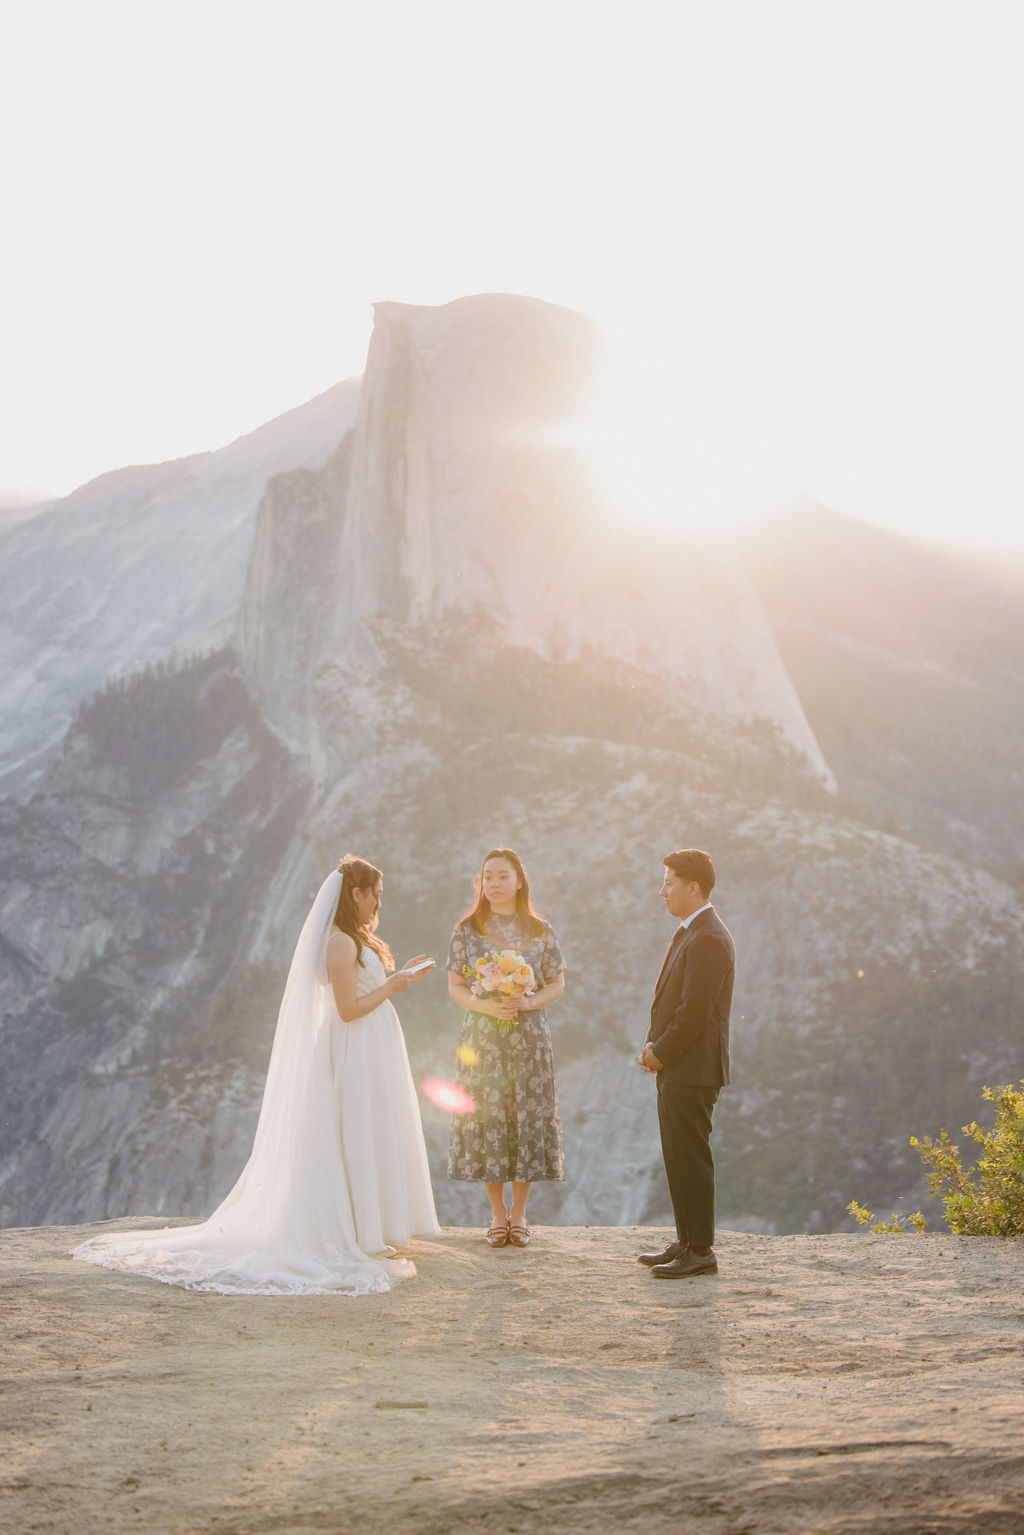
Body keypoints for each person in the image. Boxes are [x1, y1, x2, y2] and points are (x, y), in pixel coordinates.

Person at [73, 856, 440, 1294]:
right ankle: (360, 1234)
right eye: (375, 895)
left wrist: (398, 977)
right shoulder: (340, 943)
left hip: (370, 1047)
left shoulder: (357, 939)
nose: (378, 903)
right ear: (356, 894)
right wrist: (392, 987)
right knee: (355, 1131)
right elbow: (347, 1010)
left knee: (370, 1131)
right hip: (354, 1048)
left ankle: (369, 1228)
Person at [447, 847, 565, 1248]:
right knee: (488, 1120)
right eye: (487, 877)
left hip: (529, 1039)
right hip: (483, 1039)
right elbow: (456, 987)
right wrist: (487, 1005)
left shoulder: (540, 930)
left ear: (519, 881)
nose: (493, 884)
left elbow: (556, 983)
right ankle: (497, 1213)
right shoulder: (467, 929)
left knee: (527, 1119)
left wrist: (526, 1002)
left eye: (502, 876)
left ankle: (519, 1215)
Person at [637, 848, 735, 1278]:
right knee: (678, 1156)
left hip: (693, 1069)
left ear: (693, 887)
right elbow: (672, 1002)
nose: (662, 892)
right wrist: (652, 1044)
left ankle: (702, 1251)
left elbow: (695, 1011)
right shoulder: (691, 932)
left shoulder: (709, 937)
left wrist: (661, 1052)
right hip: (680, 1066)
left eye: (669, 883)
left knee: (691, 1156)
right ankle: (687, 1240)